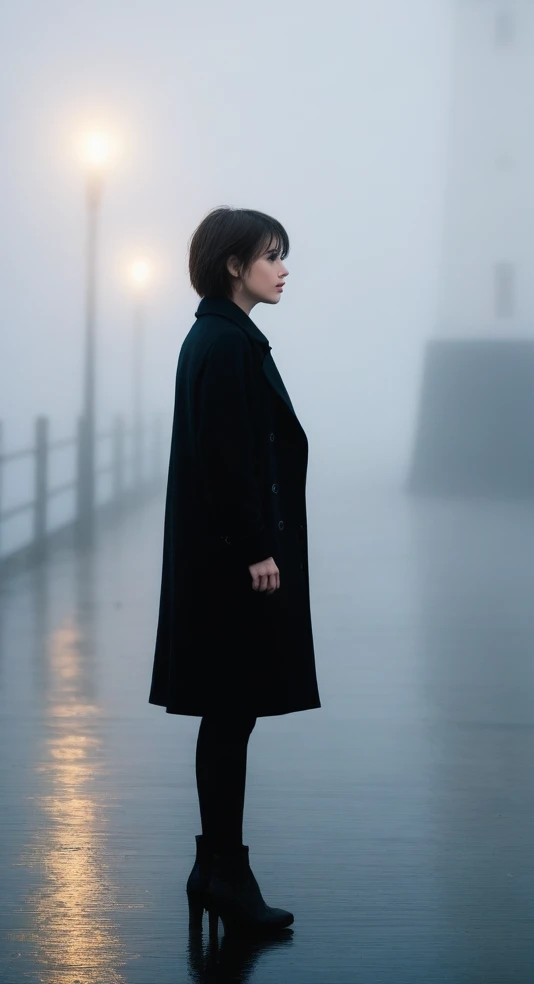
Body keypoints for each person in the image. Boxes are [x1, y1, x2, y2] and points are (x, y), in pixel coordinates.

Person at [148, 206, 321, 936]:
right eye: (271, 255)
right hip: (231, 567)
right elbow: (227, 460)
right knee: (230, 716)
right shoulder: (225, 344)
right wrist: (257, 547)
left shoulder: (218, 338)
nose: (283, 269)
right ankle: (226, 874)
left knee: (228, 716)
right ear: (233, 265)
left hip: (216, 562)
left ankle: (213, 864)